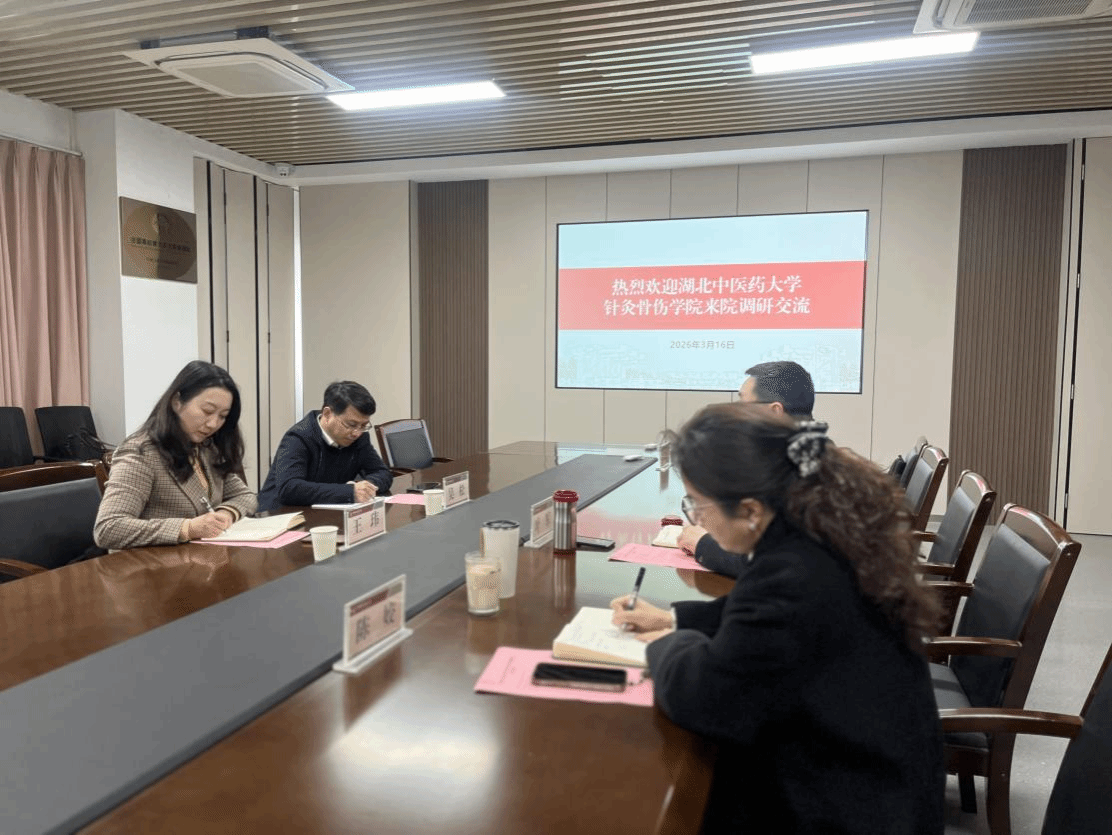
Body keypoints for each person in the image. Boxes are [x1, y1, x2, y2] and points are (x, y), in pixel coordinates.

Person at [612, 403, 944, 833]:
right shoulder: (817, 532)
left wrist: (665, 645)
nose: (696, 518)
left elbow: (708, 699)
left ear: (750, 510)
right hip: (873, 778)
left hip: (848, 806)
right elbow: (758, 617)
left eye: (698, 505)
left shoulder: (792, 574)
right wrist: (672, 620)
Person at [94, 361, 257, 550]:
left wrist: (226, 514)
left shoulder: (205, 448)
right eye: (207, 411)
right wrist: (188, 528)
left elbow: (245, 496)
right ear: (176, 402)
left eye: (223, 416)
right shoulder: (141, 452)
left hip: (199, 558)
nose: (213, 424)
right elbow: (108, 528)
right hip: (149, 564)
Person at [678, 360, 816, 577]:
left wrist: (702, 544)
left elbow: (773, 564)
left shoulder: (805, 472)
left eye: (743, 405)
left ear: (775, 411)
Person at [256, 381, 393, 512]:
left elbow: (382, 472)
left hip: (325, 514)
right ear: (327, 414)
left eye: (363, 425)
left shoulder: (359, 438)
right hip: (280, 516)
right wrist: (349, 492)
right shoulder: (299, 437)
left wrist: (366, 488)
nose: (357, 433)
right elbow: (289, 488)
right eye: (351, 425)